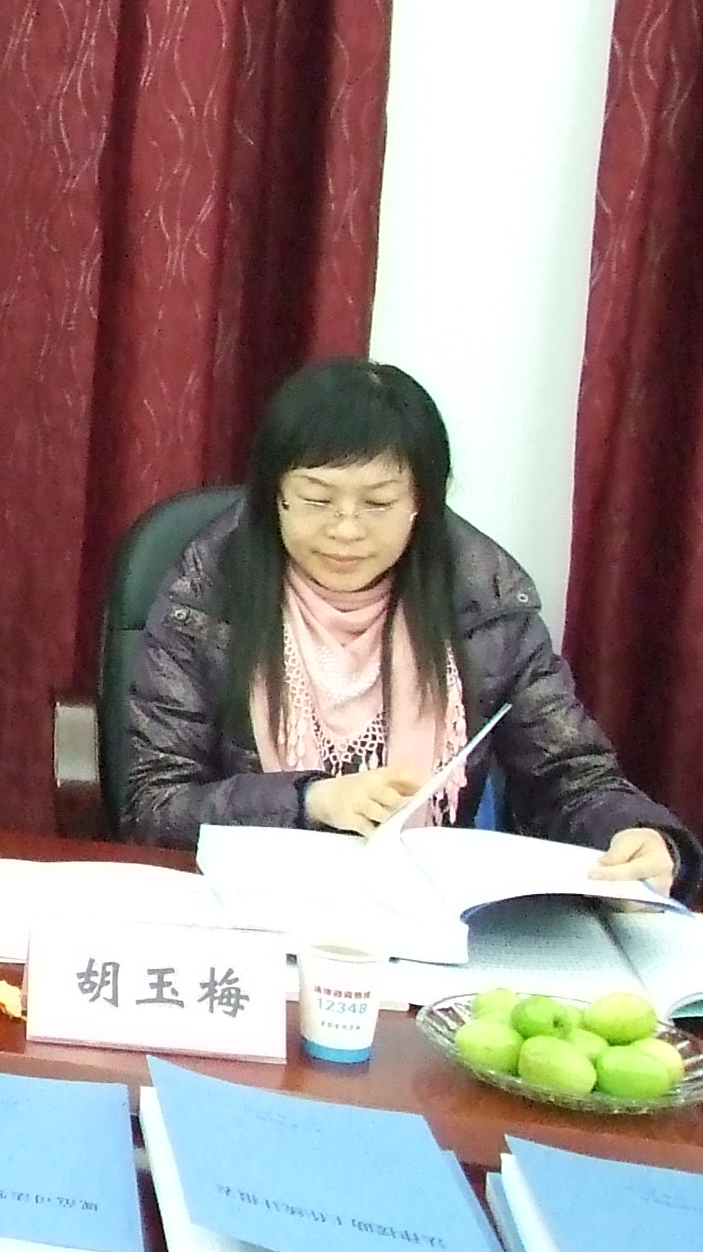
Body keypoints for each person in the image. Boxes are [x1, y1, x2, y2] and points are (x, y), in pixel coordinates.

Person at [124, 357, 698, 900]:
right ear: (276, 497)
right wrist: (308, 801)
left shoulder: (484, 606)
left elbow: (567, 774)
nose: (346, 530)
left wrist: (642, 837)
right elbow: (154, 805)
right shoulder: (206, 599)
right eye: (317, 499)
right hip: (248, 904)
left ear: (421, 501)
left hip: (426, 911)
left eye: (377, 504)